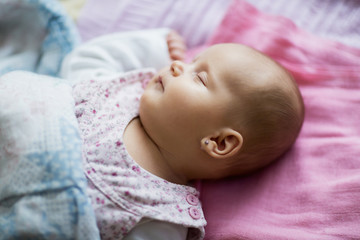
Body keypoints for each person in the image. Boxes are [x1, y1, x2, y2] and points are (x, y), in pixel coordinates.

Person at [60, 28, 304, 240]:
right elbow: (85, 58)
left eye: (199, 77)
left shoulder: (161, 215)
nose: (178, 65)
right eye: (191, 61)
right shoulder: (117, 91)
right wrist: (156, 46)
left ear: (219, 142)